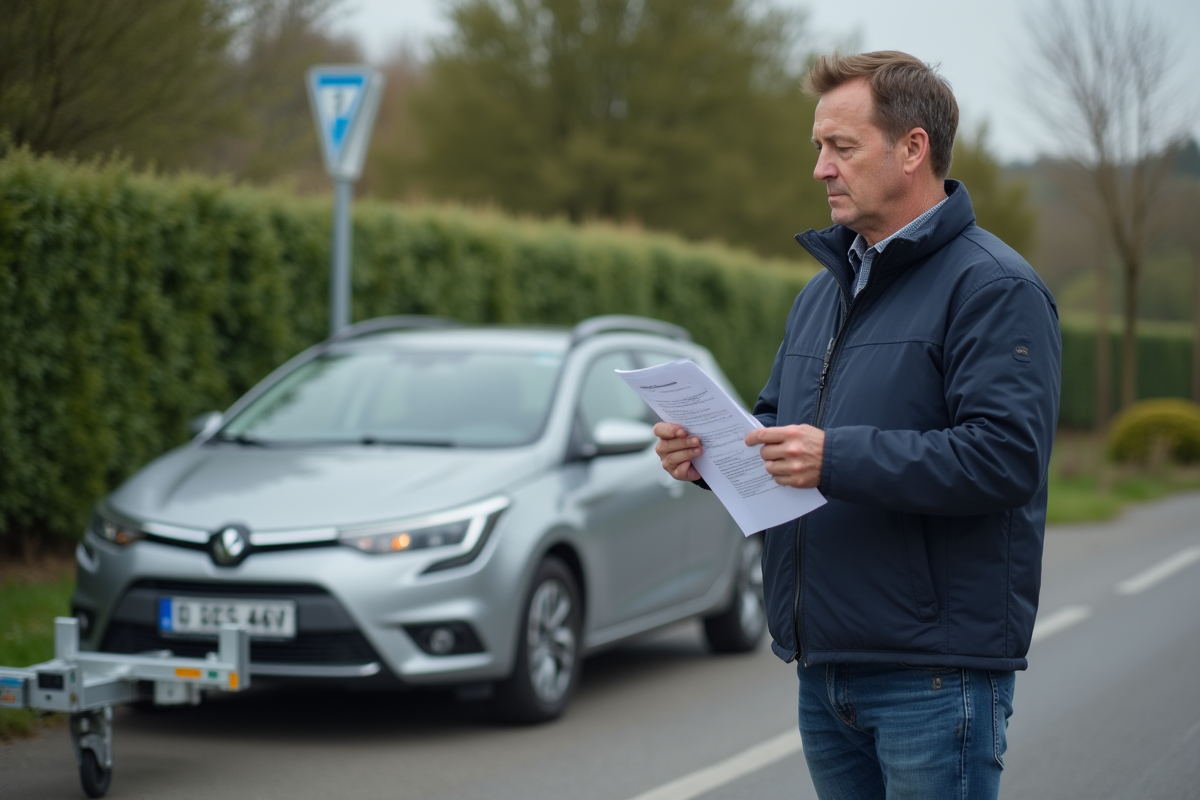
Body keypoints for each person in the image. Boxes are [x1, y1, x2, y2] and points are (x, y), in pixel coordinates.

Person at [654, 51, 1061, 800]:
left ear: (913, 149)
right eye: (818, 146)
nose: (820, 168)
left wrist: (834, 459)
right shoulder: (822, 294)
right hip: (824, 671)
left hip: (933, 675)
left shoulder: (996, 287)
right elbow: (778, 431)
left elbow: (1005, 459)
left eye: (841, 146)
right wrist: (707, 455)